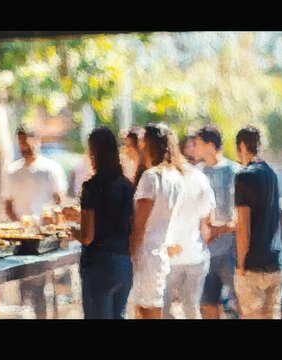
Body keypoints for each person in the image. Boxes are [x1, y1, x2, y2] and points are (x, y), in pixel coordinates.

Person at [128, 123, 185, 319]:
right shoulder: (176, 176)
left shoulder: (151, 177)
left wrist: (131, 254)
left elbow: (139, 224)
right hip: (160, 253)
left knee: (145, 312)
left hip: (146, 254)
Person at [77, 127, 135, 319]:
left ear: (94, 153)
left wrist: (71, 231)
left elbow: (87, 237)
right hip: (123, 263)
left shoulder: (91, 187)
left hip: (98, 265)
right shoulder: (127, 185)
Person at [233, 126, 281, 319]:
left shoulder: (244, 176)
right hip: (274, 262)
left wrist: (241, 263)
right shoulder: (272, 175)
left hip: (253, 265)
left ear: (242, 146)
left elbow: (243, 224)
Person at [194, 125, 242, 319]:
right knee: (206, 303)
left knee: (240, 303)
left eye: (198, 144)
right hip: (204, 253)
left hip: (231, 251)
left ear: (210, 146)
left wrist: (219, 230)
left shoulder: (235, 171)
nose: (194, 149)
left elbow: (242, 215)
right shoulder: (196, 173)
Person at [162, 162, 215, 319]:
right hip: (196, 254)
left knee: (161, 308)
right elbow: (208, 220)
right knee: (191, 306)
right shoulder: (201, 178)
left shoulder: (164, 177)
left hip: (170, 256)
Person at [4, 125, 67, 222]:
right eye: (21, 143)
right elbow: (8, 203)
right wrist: (18, 223)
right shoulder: (11, 170)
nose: (25, 146)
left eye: (27, 142)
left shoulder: (52, 168)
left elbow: (59, 200)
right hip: (20, 229)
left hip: (45, 227)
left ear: (38, 141)